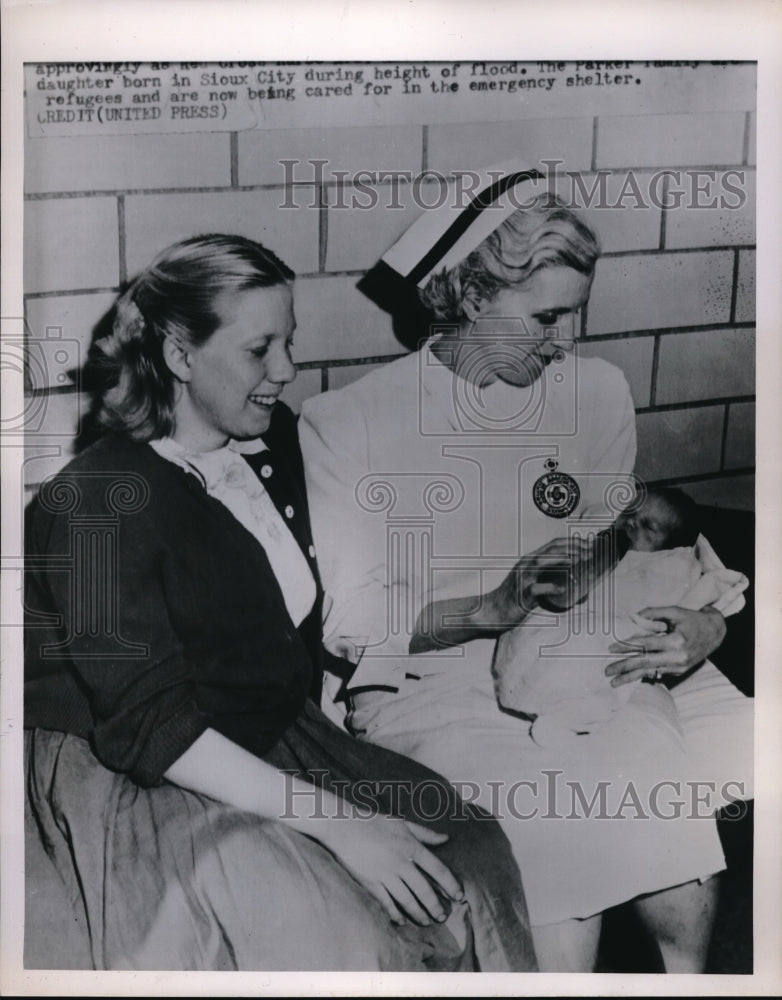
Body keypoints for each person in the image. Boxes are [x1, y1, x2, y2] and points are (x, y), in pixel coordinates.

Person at [23, 234, 537, 972]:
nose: (287, 372)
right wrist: (343, 825)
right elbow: (148, 727)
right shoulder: (96, 502)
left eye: (289, 344)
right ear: (179, 354)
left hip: (270, 733)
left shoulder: (272, 445)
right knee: (326, 921)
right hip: (134, 768)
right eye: (260, 350)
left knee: (468, 845)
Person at [298, 167, 754, 972]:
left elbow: (616, 536)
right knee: (543, 836)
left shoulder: (597, 392)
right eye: (545, 317)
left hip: (580, 655)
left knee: (657, 786)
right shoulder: (351, 422)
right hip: (427, 678)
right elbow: (353, 625)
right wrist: (493, 606)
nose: (565, 342)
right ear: (472, 297)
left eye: (575, 315)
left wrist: (697, 618)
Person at [493, 487, 749, 750]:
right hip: (556, 631)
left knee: (605, 673)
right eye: (628, 514)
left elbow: (658, 600)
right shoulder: (598, 544)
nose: (630, 525)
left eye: (648, 526)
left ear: (671, 544)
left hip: (605, 636)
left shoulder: (669, 564)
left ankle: (564, 720)